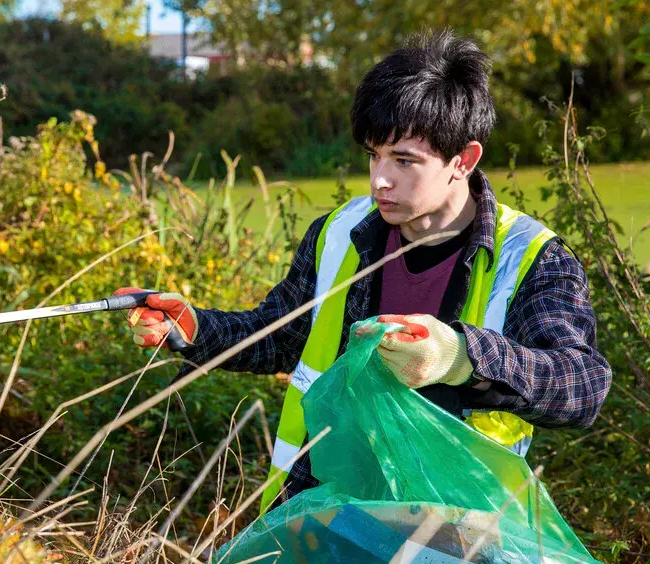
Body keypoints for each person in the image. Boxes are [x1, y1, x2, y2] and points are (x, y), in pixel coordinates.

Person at [114, 30, 611, 513]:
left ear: (464, 159)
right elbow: (282, 335)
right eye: (373, 155)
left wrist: (460, 357)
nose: (380, 180)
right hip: (323, 515)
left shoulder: (530, 256)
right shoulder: (339, 232)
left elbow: (582, 385)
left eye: (403, 160)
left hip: (454, 536)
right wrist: (195, 328)